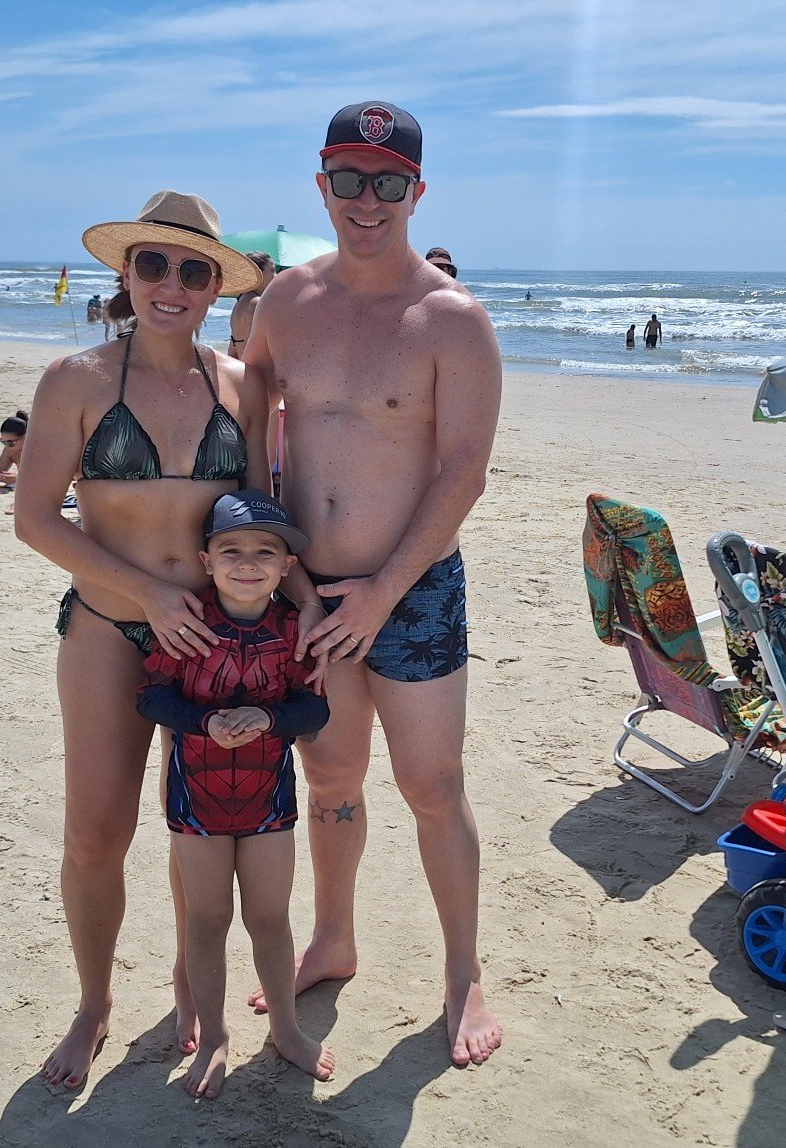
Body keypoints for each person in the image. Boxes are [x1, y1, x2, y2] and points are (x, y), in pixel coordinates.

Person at [242, 100, 503, 1067]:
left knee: (433, 783)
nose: (366, 200)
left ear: (415, 192)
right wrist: (294, 579)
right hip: (311, 587)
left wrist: (386, 591)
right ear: (322, 185)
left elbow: (463, 471)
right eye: (347, 179)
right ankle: (334, 937)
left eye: (387, 183)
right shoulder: (285, 303)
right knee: (332, 775)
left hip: (415, 588)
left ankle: (463, 968)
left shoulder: (453, 319)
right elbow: (254, 430)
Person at [13, 190, 270, 1092]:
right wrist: (151, 593)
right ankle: (92, 1004)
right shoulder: (76, 380)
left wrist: (300, 609)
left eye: (193, 270)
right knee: (95, 832)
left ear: (212, 289)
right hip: (109, 626)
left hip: (213, 636)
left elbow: (263, 519)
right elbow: (37, 520)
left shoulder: (240, 386)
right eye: (153, 264)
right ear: (125, 274)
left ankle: (188, 983)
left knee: (198, 828)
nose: (171, 284)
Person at [140, 490, 337, 1098]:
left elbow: (314, 709)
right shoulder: (187, 621)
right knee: (207, 919)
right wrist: (203, 723)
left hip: (270, 801)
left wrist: (268, 718)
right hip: (194, 796)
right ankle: (217, 1030)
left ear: (285, 568)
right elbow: (151, 696)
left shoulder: (292, 629)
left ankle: (285, 1026)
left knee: (271, 918)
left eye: (265, 552)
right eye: (231, 550)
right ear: (206, 560)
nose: (247, 563)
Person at [226, 251, 275, 359]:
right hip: (249, 371)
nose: (276, 276)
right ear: (258, 273)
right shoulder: (255, 303)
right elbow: (252, 354)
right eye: (272, 270)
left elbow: (233, 349)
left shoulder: (240, 300)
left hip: (239, 367)